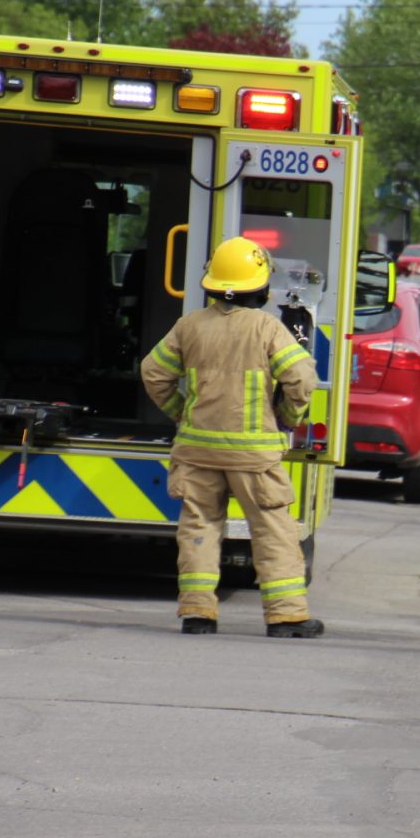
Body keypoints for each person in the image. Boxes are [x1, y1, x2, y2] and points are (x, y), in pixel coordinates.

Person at [140, 237, 322, 638]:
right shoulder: (267, 329)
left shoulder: (189, 327)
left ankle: (197, 615)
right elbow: (301, 379)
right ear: (260, 287)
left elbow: (153, 372)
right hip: (254, 458)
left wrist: (180, 413)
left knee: (199, 528)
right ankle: (286, 617)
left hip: (197, 451)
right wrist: (286, 417)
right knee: (273, 530)